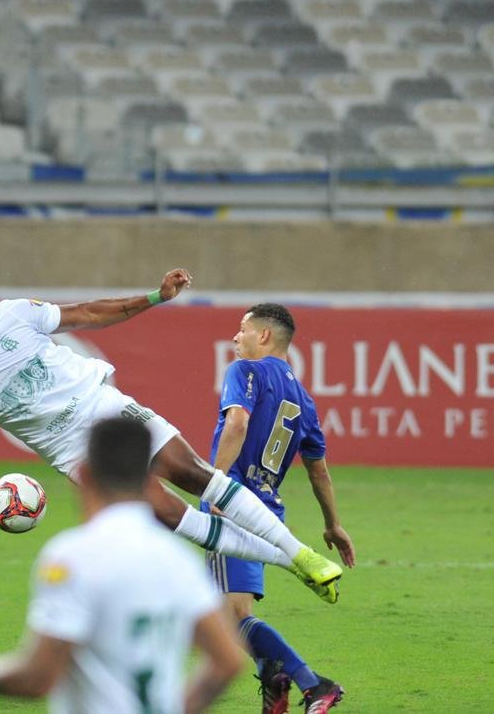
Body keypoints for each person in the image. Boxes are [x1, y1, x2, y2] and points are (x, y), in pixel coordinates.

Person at [0, 269, 344, 604]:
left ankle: (298, 553)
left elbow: (88, 313)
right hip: (77, 454)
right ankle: (296, 561)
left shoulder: (9, 318)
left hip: (104, 408)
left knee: (195, 474)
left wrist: (154, 296)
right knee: (172, 516)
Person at [0, 417, 244, 712]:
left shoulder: (72, 557)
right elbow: (229, 659)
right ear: (150, 480)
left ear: (85, 475)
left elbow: (37, 678)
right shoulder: (179, 559)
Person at [207, 303, 356, 714]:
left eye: (242, 329)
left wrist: (217, 486)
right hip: (268, 514)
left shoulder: (246, 372)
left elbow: (237, 423)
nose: (236, 337)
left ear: (264, 336)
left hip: (233, 503)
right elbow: (318, 471)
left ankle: (313, 683)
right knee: (237, 612)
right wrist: (334, 525)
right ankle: (275, 682)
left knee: (225, 621)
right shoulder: (304, 399)